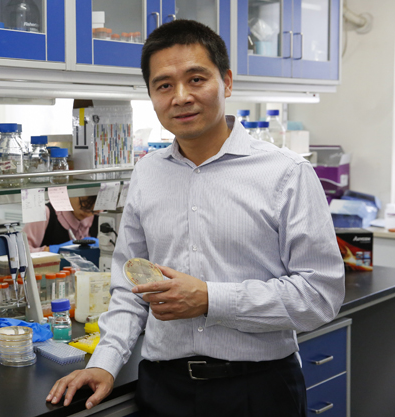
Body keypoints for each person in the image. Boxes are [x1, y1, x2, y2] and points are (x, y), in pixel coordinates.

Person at [47, 19, 345, 417]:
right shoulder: (147, 173)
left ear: (227, 82)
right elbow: (130, 287)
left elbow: (320, 296)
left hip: (259, 389)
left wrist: (210, 298)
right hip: (163, 389)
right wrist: (105, 361)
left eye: (196, 79)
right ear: (151, 95)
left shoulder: (287, 173)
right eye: (164, 85)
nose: (181, 97)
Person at [23, 196, 99, 253]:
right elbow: (21, 253)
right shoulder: (43, 213)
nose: (89, 213)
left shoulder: (98, 215)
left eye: (94, 211)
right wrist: (50, 250)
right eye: (84, 205)